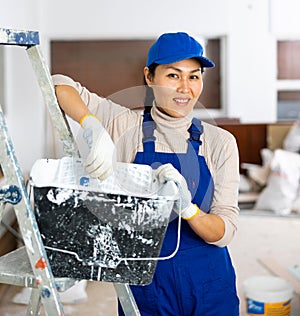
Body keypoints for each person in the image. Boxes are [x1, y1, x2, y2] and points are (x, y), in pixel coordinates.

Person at [52, 31, 240, 315]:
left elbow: (224, 232)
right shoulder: (125, 124)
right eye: (173, 75)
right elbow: (58, 84)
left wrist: (189, 210)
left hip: (209, 283)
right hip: (146, 286)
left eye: (194, 76)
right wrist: (90, 123)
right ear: (150, 77)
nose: (185, 88)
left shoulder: (220, 142)